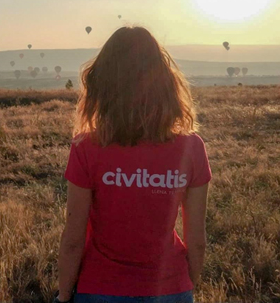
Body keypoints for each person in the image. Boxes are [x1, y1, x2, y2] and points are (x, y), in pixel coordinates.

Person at [54, 26, 211, 303]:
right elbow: (196, 239)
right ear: (165, 84)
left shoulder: (86, 147)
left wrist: (64, 296)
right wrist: (187, 286)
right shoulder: (192, 147)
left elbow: (73, 239)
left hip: (100, 288)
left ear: (102, 86)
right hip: (170, 288)